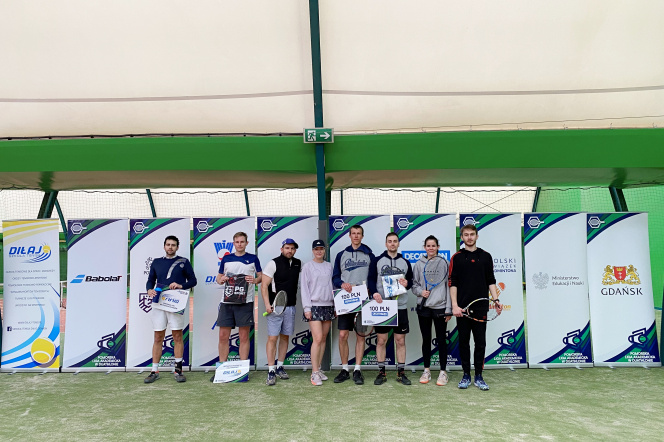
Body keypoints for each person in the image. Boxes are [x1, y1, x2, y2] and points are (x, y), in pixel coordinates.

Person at [449, 224, 503, 391]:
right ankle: (466, 375)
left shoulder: (486, 256)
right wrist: (455, 306)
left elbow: (491, 280)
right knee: (464, 343)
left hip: (480, 308)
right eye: (466, 235)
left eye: (472, 234)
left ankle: (479, 376)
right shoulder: (456, 258)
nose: (469, 237)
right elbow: (453, 283)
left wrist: (496, 300)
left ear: (477, 236)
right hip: (462, 309)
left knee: (480, 343)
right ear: (462, 237)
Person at [144, 235, 197, 383]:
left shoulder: (184, 262)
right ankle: (154, 370)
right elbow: (150, 280)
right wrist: (149, 289)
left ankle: (178, 370)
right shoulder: (157, 262)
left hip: (175, 303)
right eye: (168, 244)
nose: (170, 247)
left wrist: (181, 285)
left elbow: (193, 281)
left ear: (177, 247)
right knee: (158, 337)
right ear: (164, 246)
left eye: (173, 245)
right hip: (159, 302)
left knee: (177, 336)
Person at [211, 232, 262, 382]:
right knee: (223, 336)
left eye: (242, 242)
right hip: (227, 303)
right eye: (237, 242)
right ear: (233, 243)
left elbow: (260, 276)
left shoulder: (253, 258)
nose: (239, 244)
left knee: (244, 336)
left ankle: (242, 372)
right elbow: (218, 278)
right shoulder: (226, 258)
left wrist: (255, 280)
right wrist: (222, 279)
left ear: (247, 243)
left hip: (245, 302)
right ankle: (221, 370)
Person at [368, 232, 413, 385]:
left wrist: (407, 284)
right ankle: (381, 373)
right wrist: (374, 292)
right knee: (381, 340)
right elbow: (371, 279)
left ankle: (401, 373)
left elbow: (411, 281)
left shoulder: (405, 262)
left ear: (398, 243)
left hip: (400, 306)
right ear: (386, 243)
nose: (392, 244)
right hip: (383, 306)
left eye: (395, 241)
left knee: (400, 341)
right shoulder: (377, 261)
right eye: (390, 241)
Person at [332, 224, 375, 385]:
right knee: (343, 335)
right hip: (346, 300)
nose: (356, 236)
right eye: (353, 233)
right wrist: (342, 284)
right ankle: (345, 369)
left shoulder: (369, 255)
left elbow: (373, 277)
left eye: (359, 233)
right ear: (349, 236)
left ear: (362, 236)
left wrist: (370, 289)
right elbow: (335, 277)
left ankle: (357, 369)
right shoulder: (341, 255)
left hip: (363, 300)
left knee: (360, 335)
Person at [261, 238, 301, 386]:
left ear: (295, 250)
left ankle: (280, 367)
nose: (289, 250)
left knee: (285, 337)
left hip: (290, 307)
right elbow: (264, 286)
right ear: (281, 249)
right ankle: (271, 370)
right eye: (287, 248)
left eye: (292, 248)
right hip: (275, 308)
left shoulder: (298, 263)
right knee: (272, 338)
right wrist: (267, 305)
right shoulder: (273, 263)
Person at [412, 235, 451, 386]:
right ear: (425, 247)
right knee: (426, 339)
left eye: (433, 245)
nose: (431, 248)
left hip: (440, 308)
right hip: (424, 308)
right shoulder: (418, 264)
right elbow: (414, 285)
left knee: (441, 340)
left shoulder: (444, 263)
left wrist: (448, 309)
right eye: (428, 246)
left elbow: (449, 287)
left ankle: (443, 372)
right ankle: (426, 370)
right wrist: (421, 292)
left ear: (438, 247)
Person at [300, 239, 335, 386]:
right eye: (316, 249)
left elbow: (333, 286)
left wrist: (335, 305)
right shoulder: (307, 267)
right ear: (312, 251)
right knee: (318, 338)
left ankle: (318, 369)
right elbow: (304, 288)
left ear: (324, 250)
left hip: (328, 306)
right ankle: (314, 373)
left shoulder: (329, 266)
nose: (319, 251)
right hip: (314, 306)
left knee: (324, 338)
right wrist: (307, 308)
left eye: (321, 249)